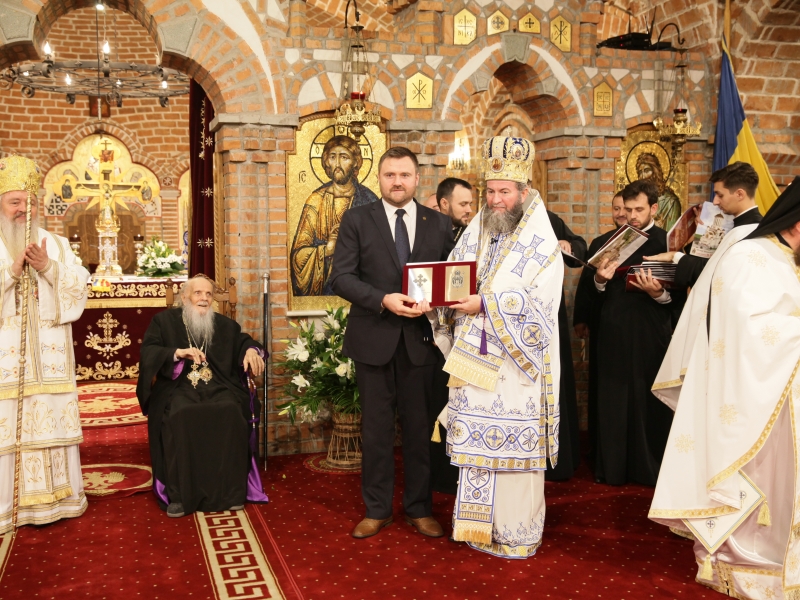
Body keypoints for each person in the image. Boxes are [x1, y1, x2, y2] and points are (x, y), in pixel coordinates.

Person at [649, 178, 800, 597]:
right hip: (751, 399)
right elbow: (745, 331)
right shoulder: (749, 256)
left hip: (784, 394)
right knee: (762, 485)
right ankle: (747, 562)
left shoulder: (788, 260)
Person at [430, 135, 564, 558]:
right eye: (489, 191)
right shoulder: (481, 228)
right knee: (477, 448)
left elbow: (542, 307)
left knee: (512, 450)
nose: (495, 200)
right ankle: (477, 528)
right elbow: (455, 273)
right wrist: (434, 297)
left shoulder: (542, 243)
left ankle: (516, 533)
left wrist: (486, 303)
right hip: (474, 362)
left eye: (504, 192)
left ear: (524, 191)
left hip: (515, 369)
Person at [330, 147, 455, 539]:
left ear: (417, 179)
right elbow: (340, 277)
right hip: (374, 339)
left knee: (420, 431)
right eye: (389, 175)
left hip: (422, 342)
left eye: (404, 175)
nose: (397, 182)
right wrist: (382, 299)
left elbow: (453, 277)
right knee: (376, 431)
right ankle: (377, 509)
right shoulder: (356, 219)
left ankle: (419, 508)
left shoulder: (439, 223)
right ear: (379, 178)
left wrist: (438, 301)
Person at [0, 155, 91, 534]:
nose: (24, 209)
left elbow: (80, 283)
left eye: (30, 202)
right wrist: (11, 272)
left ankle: (60, 500)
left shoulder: (55, 244)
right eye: (15, 202)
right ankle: (8, 508)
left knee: (51, 420)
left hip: (51, 362)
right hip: (7, 365)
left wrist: (48, 268)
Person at [136, 275, 268, 518]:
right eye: (198, 293)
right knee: (181, 413)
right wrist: (177, 353)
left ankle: (230, 493)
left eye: (209, 294)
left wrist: (251, 351)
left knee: (230, 410)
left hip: (219, 385)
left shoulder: (225, 325)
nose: (204, 298)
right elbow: (149, 352)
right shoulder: (163, 322)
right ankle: (179, 496)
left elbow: (244, 342)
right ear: (185, 297)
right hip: (178, 388)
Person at [590, 180, 685, 486]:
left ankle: (649, 469)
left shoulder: (669, 243)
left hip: (651, 330)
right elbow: (594, 295)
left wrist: (658, 293)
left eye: (639, 210)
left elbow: (681, 298)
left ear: (653, 208)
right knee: (613, 400)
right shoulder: (609, 241)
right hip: (614, 329)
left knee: (649, 400)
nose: (631, 216)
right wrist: (600, 280)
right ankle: (613, 469)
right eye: (628, 209)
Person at [645, 162, 763, 289]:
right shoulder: (739, 225)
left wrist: (675, 256)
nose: (715, 201)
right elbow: (706, 262)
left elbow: (716, 274)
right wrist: (698, 234)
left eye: (720, 195)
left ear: (740, 194)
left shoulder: (750, 232)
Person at [573, 192, 627, 466]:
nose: (621, 213)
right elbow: (585, 285)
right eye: (616, 208)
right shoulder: (599, 243)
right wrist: (581, 318)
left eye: (625, 208)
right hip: (603, 325)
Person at [290, 135, 379, 296]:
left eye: (344, 157)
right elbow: (298, 257)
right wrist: (327, 249)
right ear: (326, 162)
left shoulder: (369, 200)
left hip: (361, 291)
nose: (337, 164)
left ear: (355, 162)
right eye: (332, 157)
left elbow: (380, 251)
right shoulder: (316, 200)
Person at [544, 210, 587, 481]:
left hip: (549, 317)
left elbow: (580, 248)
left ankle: (556, 459)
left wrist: (568, 244)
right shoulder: (492, 220)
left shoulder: (547, 218)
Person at [636, 153, 682, 231]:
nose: (643, 176)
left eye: (647, 171)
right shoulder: (637, 199)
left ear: (655, 171)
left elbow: (671, 234)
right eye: (640, 172)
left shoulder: (670, 202)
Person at [436, 177, 473, 243]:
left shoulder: (472, 236)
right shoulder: (426, 231)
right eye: (463, 204)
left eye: (470, 204)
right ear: (444, 203)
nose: (469, 210)